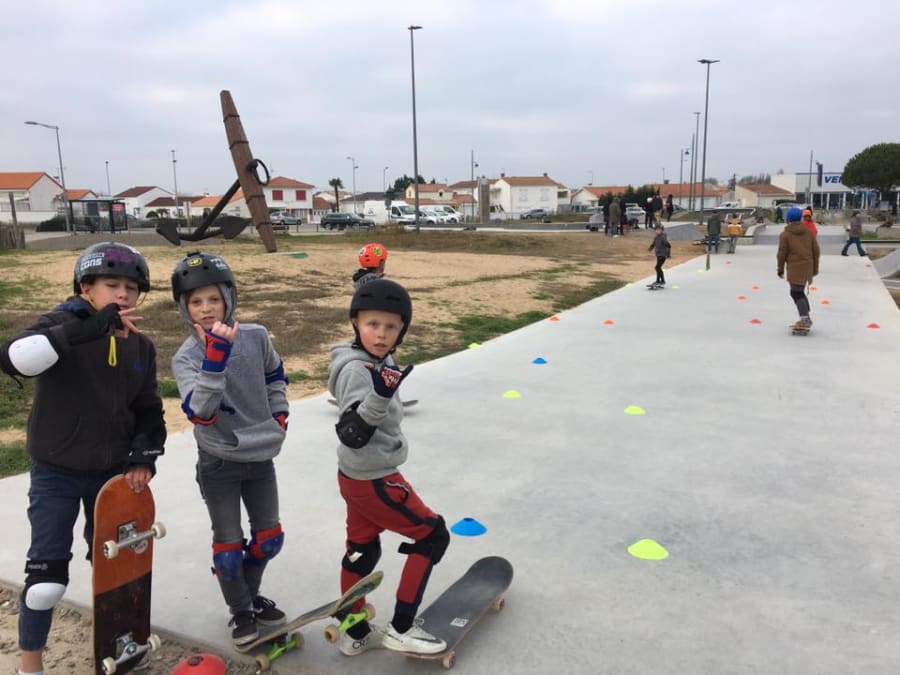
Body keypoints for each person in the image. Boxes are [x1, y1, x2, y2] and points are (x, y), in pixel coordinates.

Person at [0, 242, 166, 675]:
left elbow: (148, 409)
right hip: (56, 472)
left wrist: (143, 458)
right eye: (112, 285)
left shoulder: (140, 347)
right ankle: (30, 665)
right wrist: (86, 329)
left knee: (117, 572)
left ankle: (121, 650)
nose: (123, 295)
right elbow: (13, 359)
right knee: (45, 584)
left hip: (112, 478)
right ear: (85, 287)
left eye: (132, 288)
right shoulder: (60, 326)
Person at [170, 251, 290, 646]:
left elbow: (275, 373)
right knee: (228, 548)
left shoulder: (255, 336)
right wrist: (215, 359)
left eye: (214, 299)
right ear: (185, 308)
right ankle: (241, 611)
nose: (206, 309)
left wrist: (280, 413)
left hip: (261, 456)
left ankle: (250, 597)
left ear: (229, 298)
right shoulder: (186, 357)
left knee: (269, 538)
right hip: (219, 461)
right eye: (196, 302)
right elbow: (199, 413)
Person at [328, 279, 450, 657]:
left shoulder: (381, 360)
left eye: (391, 326)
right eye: (372, 324)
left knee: (362, 552)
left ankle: (355, 630)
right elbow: (353, 432)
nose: (381, 335)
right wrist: (380, 395)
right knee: (433, 536)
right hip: (374, 477)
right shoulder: (357, 371)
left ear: (402, 330)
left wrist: (384, 389)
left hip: (355, 476)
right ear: (355, 323)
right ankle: (401, 628)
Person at [777, 207, 820, 330]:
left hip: (795, 268)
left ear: (788, 219)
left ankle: (805, 318)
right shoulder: (808, 232)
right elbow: (816, 251)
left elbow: (782, 253)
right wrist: (815, 269)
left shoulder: (785, 235)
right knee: (798, 292)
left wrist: (780, 269)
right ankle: (806, 316)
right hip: (807, 267)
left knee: (796, 292)